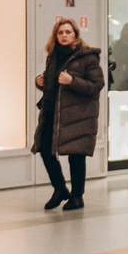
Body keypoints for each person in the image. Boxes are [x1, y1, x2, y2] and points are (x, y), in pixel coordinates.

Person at [33, 17, 103, 211]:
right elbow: (56, 85)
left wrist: (72, 80)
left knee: (76, 156)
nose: (64, 36)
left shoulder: (87, 57)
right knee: (45, 150)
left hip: (78, 115)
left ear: (76, 35)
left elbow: (97, 85)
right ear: (56, 36)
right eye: (60, 32)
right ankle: (60, 189)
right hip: (53, 112)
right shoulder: (53, 56)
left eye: (68, 32)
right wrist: (42, 82)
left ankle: (77, 197)